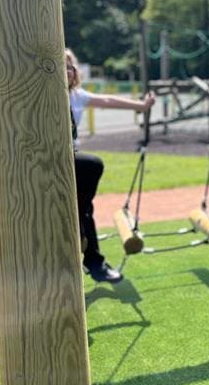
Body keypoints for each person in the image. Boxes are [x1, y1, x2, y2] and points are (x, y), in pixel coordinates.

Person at [66, 48, 155, 283]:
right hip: (48, 156)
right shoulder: (43, 93)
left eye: (69, 66)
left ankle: (94, 263)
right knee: (92, 166)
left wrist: (141, 106)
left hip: (70, 155)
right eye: (60, 66)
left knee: (84, 208)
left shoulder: (77, 96)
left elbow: (107, 100)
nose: (66, 71)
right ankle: (81, 232)